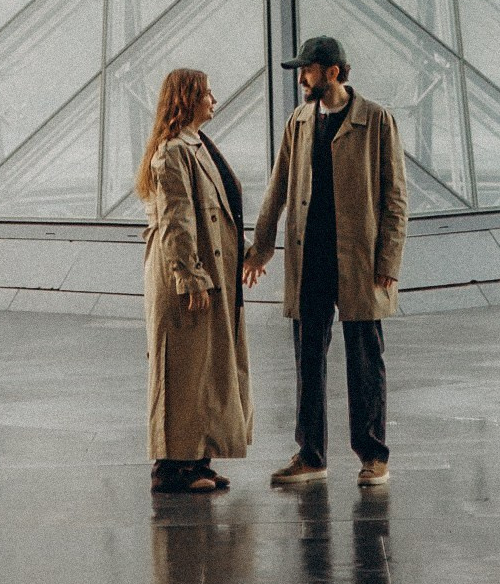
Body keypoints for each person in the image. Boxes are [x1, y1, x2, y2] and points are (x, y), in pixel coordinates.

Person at [244, 34, 408, 488]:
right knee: (308, 360)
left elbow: (395, 195)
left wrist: (389, 260)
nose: (301, 78)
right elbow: (277, 188)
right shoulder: (298, 121)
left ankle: (374, 456)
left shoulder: (375, 119)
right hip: (309, 257)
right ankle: (310, 454)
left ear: (333, 71)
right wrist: (261, 248)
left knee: (365, 359)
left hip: (359, 259)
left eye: (308, 69)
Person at [138, 67, 254, 496]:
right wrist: (190, 276)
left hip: (209, 276)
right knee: (181, 370)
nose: (214, 99)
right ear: (187, 99)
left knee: (201, 369)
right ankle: (171, 468)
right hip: (186, 279)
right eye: (206, 93)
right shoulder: (172, 152)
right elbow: (177, 221)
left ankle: (196, 458)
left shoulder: (196, 145)